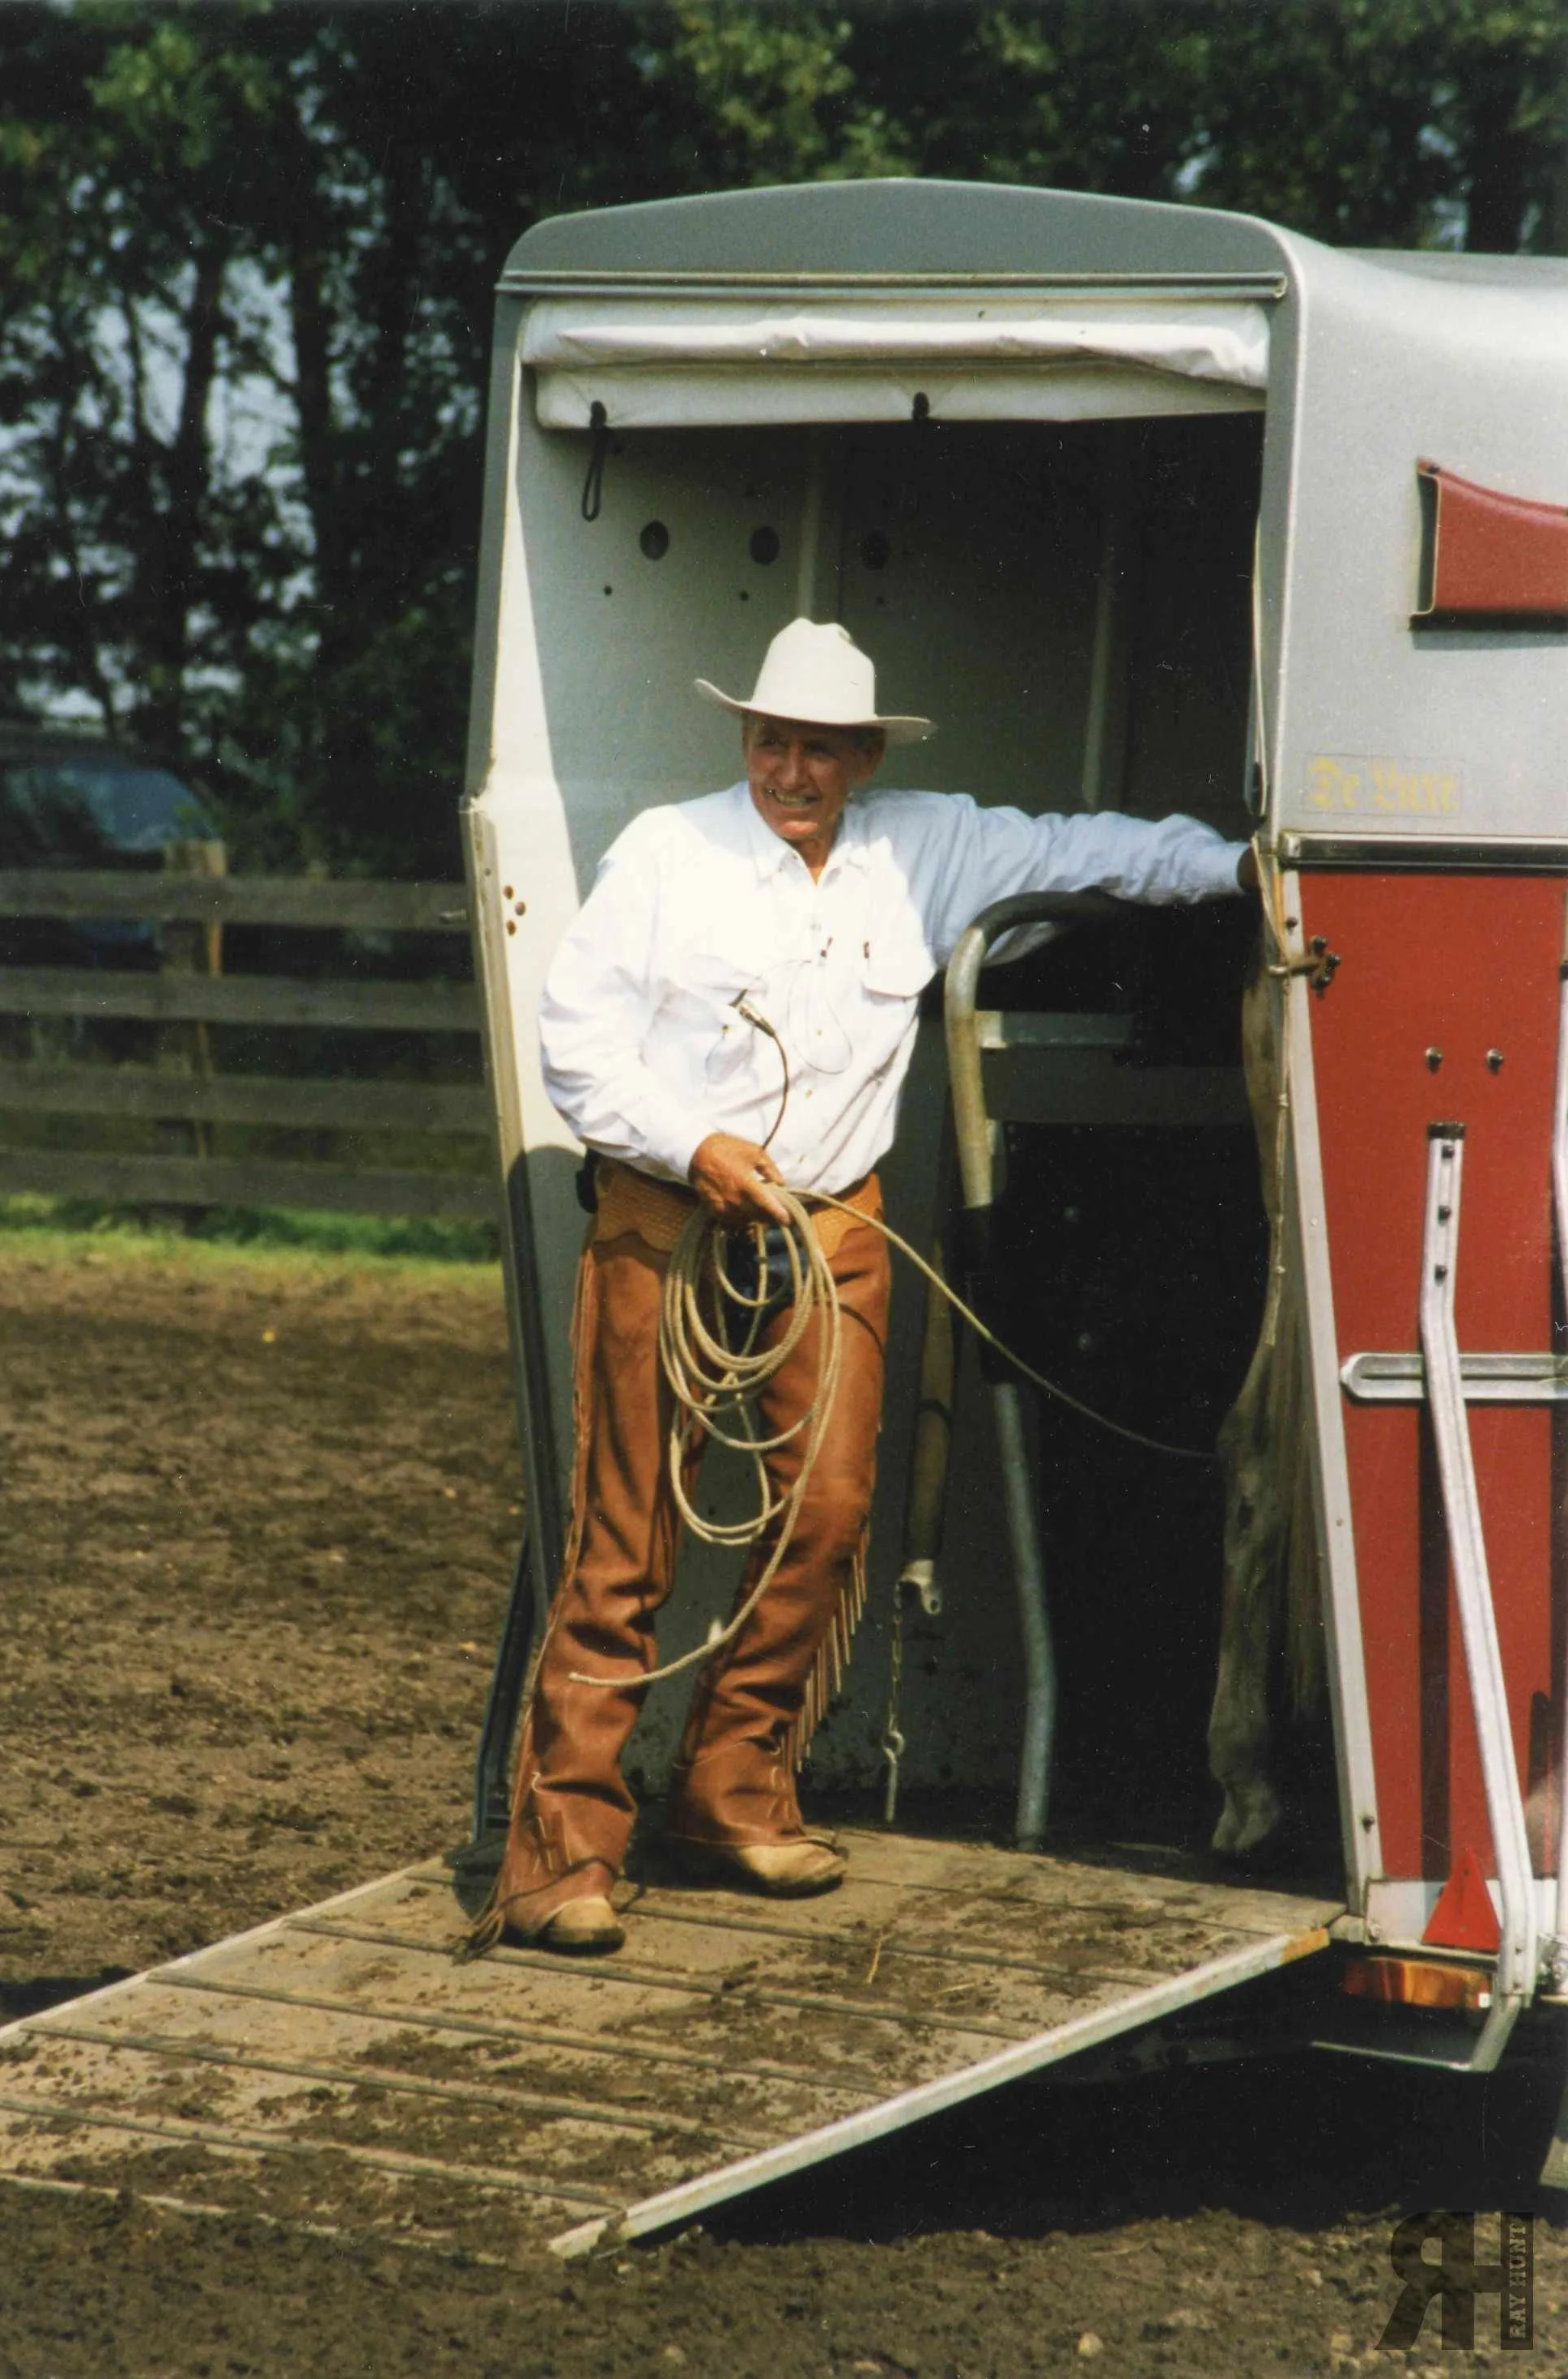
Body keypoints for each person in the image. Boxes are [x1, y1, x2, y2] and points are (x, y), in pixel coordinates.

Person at [486, 618, 1254, 1954]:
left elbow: (1091, 850)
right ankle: (563, 1852)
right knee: (626, 1540)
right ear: (746, 739)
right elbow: (577, 1042)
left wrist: (1247, 867)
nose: (793, 769)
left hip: (833, 1214)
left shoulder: (928, 843)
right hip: (670, 1209)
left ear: (859, 756)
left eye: (820, 749)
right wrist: (694, 1143)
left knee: (830, 1508)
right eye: (772, 741)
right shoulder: (668, 853)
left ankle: (729, 1785)